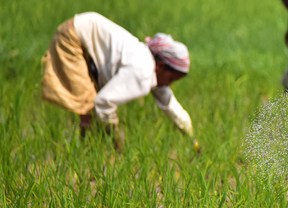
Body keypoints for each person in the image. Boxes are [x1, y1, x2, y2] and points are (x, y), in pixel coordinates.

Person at [41, 11, 196, 150]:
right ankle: (82, 153)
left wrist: (192, 140)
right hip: (73, 37)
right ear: (161, 66)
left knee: (89, 110)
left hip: (81, 30)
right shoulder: (142, 72)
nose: (169, 84)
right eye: (171, 78)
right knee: (86, 108)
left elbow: (172, 107)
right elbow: (103, 102)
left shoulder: (149, 66)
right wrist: (116, 138)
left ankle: (85, 151)